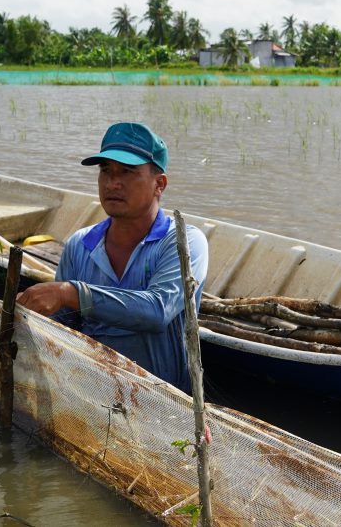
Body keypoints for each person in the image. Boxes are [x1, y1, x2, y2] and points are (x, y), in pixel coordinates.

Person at [16, 122, 208, 393]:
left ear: (159, 184)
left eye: (127, 172)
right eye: (105, 171)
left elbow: (158, 310)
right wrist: (28, 314)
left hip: (165, 402)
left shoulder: (183, 242)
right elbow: (62, 326)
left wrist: (71, 293)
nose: (112, 183)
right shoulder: (80, 245)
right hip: (89, 394)